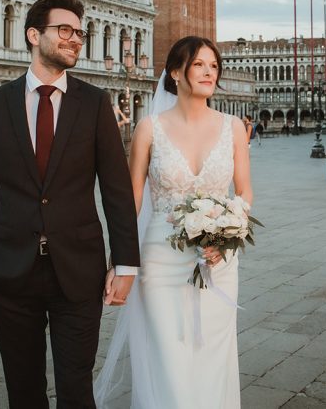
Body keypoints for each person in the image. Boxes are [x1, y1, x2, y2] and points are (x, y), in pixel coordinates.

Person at [0, 0, 140, 408]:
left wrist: (126, 263)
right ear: (33, 35)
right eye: (65, 30)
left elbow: (116, 190)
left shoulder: (95, 103)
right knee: (22, 388)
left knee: (77, 389)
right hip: (8, 268)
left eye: (79, 33)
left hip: (78, 270)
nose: (76, 39)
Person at [95, 36, 254, 408]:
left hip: (217, 259)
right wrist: (119, 262)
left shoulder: (233, 128)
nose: (208, 72)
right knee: (168, 353)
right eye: (199, 64)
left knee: (215, 351)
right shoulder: (150, 129)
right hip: (160, 258)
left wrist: (227, 234)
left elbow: (244, 192)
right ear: (175, 72)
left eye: (214, 66)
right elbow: (131, 201)